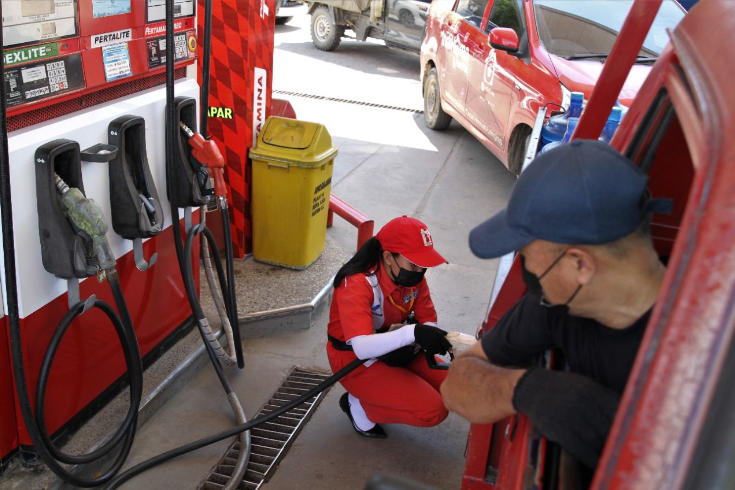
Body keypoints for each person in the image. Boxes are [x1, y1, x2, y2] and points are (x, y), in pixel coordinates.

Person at [441, 140, 672, 469]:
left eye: (526, 256)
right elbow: (456, 382)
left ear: (580, 265)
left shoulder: (707, 351)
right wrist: (529, 389)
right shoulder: (554, 306)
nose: (527, 271)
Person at [327, 215, 453, 438]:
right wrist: (412, 333)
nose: (419, 271)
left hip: (399, 348)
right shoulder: (357, 282)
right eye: (413, 263)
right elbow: (362, 347)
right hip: (356, 360)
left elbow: (427, 317)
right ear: (387, 257)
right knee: (434, 410)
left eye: (423, 265)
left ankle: (388, 390)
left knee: (457, 388)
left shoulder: (412, 277)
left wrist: (434, 337)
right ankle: (359, 406)